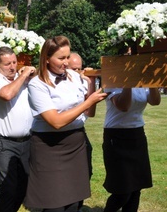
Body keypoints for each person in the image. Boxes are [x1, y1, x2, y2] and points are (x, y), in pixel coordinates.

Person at [25, 36, 107, 212]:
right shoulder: (37, 84)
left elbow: (89, 113)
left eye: (68, 57)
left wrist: (92, 89)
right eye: (61, 58)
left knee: (74, 203)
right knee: (53, 204)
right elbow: (55, 122)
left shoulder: (75, 78)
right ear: (46, 59)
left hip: (76, 143)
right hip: (49, 146)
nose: (66, 62)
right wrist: (88, 102)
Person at [0, 46, 36, 212]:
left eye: (15, 62)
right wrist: (24, 75)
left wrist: (32, 74)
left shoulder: (22, 79)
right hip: (4, 143)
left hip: (27, 141)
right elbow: (6, 95)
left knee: (26, 184)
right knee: (8, 186)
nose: (13, 67)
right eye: (7, 64)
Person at [102, 87, 161, 212]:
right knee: (122, 191)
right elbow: (124, 106)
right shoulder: (113, 81)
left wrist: (152, 82)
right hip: (116, 137)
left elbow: (155, 101)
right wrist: (128, 82)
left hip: (137, 134)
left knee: (136, 188)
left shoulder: (142, 83)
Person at [68, 52, 96, 212]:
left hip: (79, 131)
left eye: (80, 69)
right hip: (61, 132)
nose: (78, 72)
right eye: (74, 69)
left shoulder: (82, 81)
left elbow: (90, 112)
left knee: (87, 170)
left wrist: (90, 81)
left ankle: (77, 203)